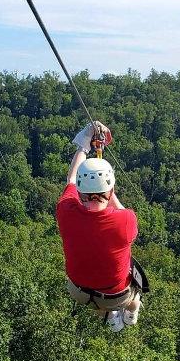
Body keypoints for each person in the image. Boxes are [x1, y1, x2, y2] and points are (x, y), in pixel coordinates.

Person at [56, 121, 142, 332]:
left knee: (98, 297)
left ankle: (110, 316)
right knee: (136, 290)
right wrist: (107, 188)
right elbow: (119, 210)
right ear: (111, 191)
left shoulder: (65, 211)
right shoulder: (127, 221)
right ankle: (130, 313)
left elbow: (72, 178)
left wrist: (84, 145)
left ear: (80, 192)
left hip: (79, 291)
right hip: (116, 295)